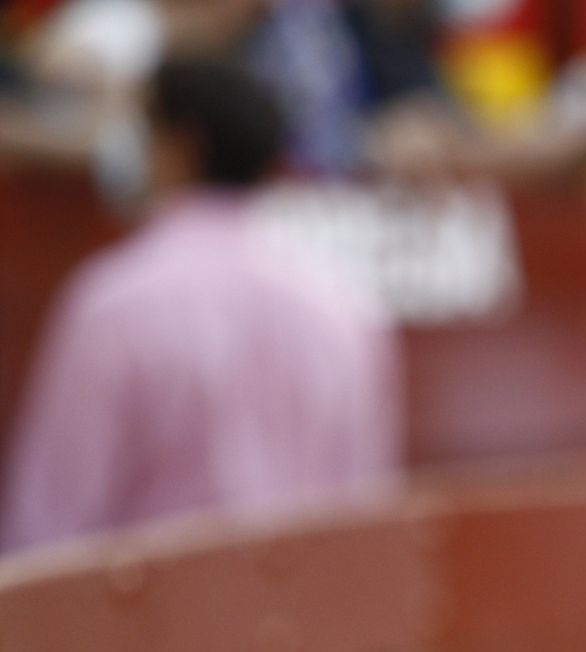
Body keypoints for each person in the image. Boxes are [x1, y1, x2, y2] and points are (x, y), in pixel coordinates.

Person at [1, 54, 401, 553]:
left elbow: (50, 525)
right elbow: (364, 515)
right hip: (304, 621)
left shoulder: (114, 303)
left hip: (147, 623)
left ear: (180, 145)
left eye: (141, 130)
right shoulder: (343, 304)